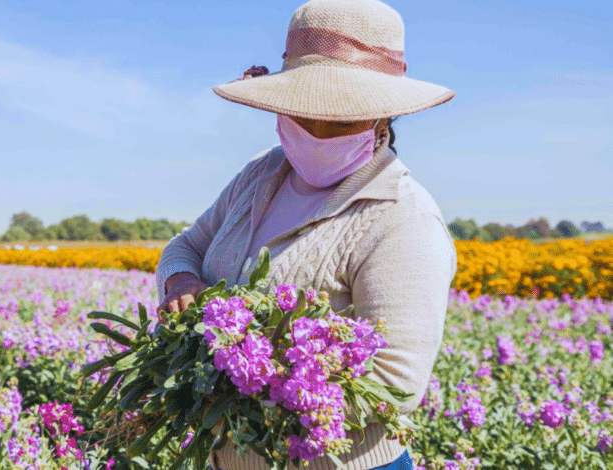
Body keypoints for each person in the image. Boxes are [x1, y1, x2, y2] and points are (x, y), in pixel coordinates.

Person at [155, 0, 458, 468]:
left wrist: (258, 378)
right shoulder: (262, 174)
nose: (316, 131)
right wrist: (182, 283)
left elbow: (396, 385)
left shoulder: (404, 219)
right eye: (302, 112)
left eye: (341, 118)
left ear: (383, 117)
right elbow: (186, 246)